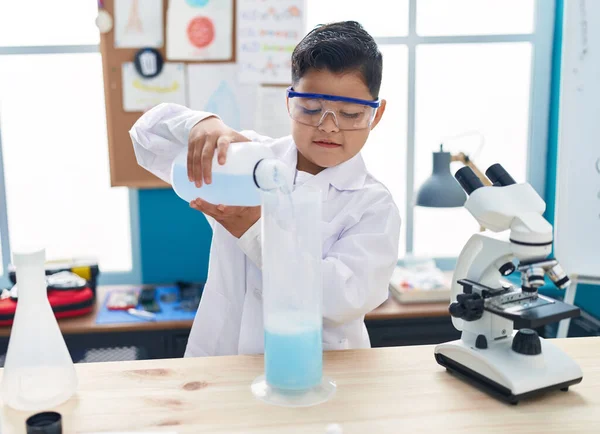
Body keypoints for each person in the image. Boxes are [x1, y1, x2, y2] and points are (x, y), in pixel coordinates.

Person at [129, 21, 401, 357]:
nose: (328, 126)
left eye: (350, 113)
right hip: (223, 363)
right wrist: (201, 123)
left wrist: (256, 231)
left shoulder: (373, 204)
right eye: (311, 108)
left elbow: (341, 297)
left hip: (319, 371)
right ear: (289, 101)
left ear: (376, 114)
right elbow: (145, 138)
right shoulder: (246, 156)